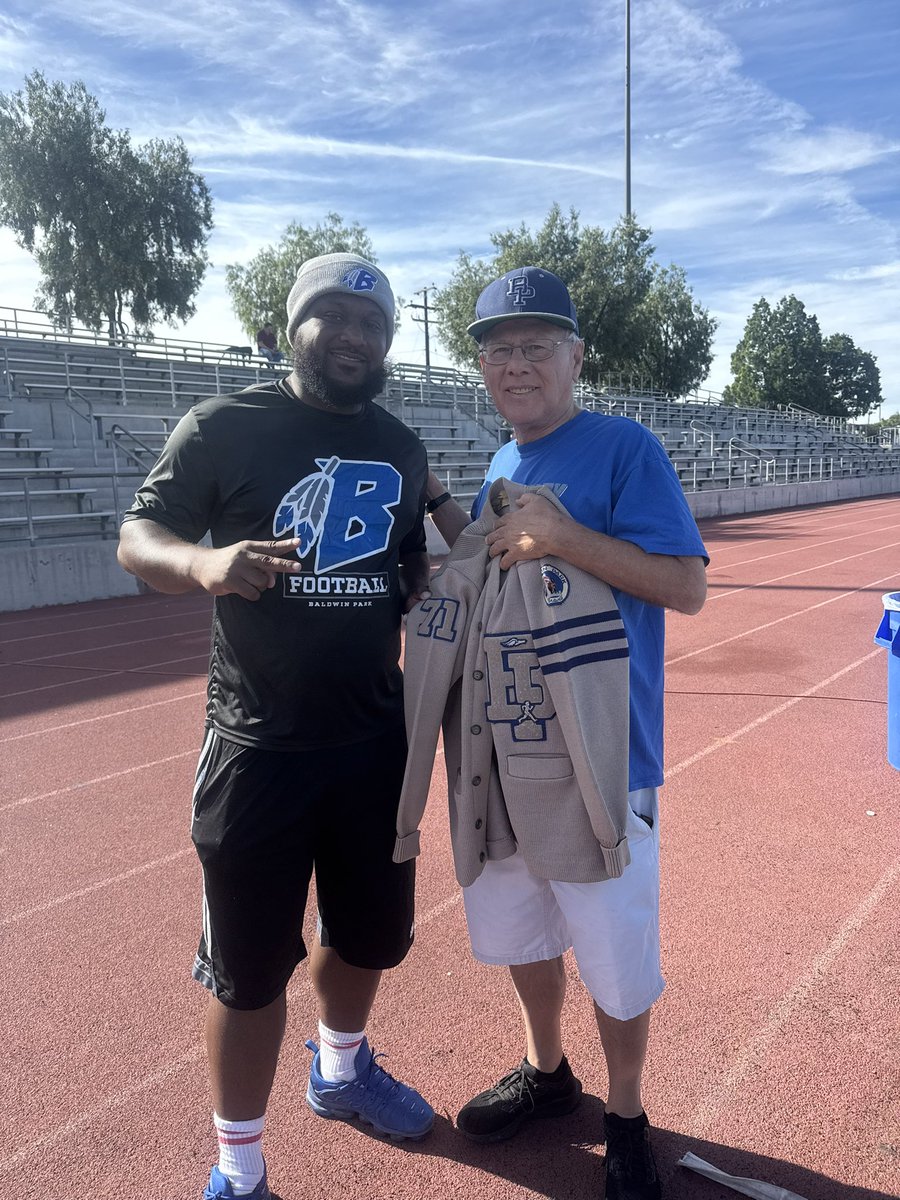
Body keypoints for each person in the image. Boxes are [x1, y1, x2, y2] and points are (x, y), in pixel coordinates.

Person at [118, 252, 435, 1200]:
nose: (354, 337)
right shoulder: (225, 425)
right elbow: (137, 537)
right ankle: (239, 1169)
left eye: (373, 324)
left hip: (374, 745)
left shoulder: (401, 445)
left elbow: (408, 562)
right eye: (334, 316)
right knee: (247, 973)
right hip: (257, 751)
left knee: (371, 936)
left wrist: (436, 590)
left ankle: (340, 1072)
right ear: (293, 326)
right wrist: (205, 564)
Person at [396, 267, 708, 1200]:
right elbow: (493, 559)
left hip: (603, 757)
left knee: (614, 952)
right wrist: (443, 510)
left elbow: (685, 585)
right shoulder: (502, 463)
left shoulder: (623, 447)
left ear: (575, 356)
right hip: (500, 751)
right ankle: (547, 1070)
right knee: (520, 926)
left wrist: (564, 538)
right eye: (499, 350)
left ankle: (626, 1114)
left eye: (537, 346)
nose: (517, 364)